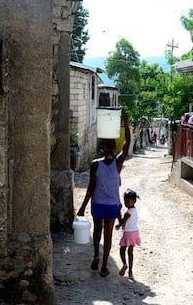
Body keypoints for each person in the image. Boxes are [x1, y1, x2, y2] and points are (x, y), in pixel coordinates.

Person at [77, 107, 130, 277]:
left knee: (97, 231)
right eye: (110, 146)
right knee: (106, 235)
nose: (110, 148)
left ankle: (97, 257)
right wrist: (125, 120)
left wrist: (83, 206)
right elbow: (127, 142)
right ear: (112, 149)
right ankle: (104, 265)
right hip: (109, 205)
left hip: (99, 204)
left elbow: (91, 188)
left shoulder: (97, 164)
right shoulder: (116, 163)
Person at [115, 188, 141, 280]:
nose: (126, 202)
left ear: (134, 201)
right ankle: (130, 271)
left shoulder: (128, 212)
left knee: (122, 250)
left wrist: (118, 212)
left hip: (128, 234)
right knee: (130, 252)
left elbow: (122, 222)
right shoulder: (134, 210)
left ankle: (125, 264)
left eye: (128, 200)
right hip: (135, 233)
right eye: (125, 200)